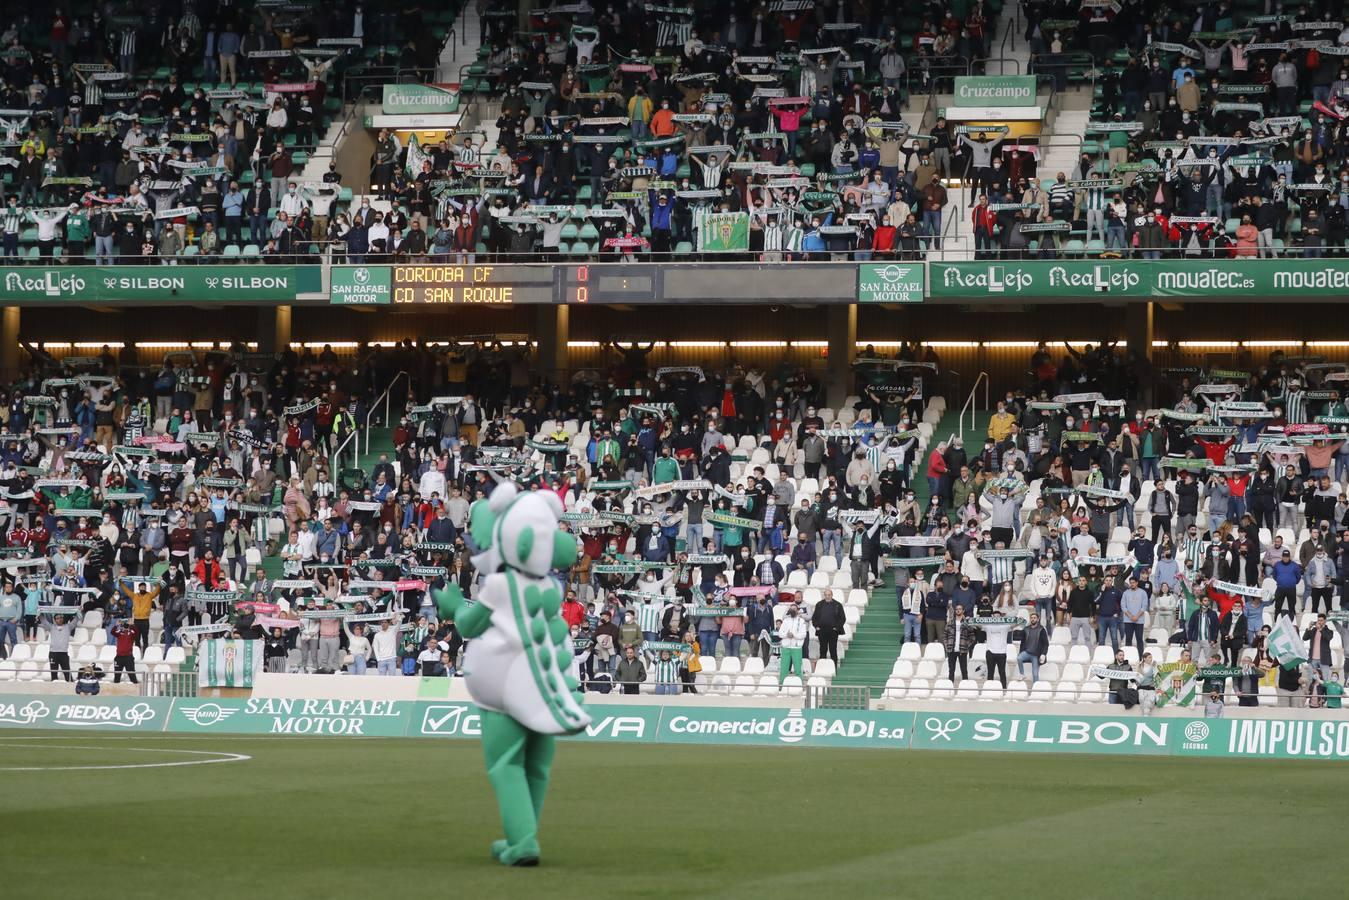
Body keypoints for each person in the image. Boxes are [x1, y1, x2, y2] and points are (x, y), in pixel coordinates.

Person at [811, 588, 846, 665]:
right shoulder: (819, 604)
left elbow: (842, 618)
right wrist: (816, 626)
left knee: (833, 650)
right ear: (824, 595)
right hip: (822, 630)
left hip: (833, 631)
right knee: (822, 650)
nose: (827, 596)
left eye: (829, 595)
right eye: (826, 595)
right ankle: (822, 668)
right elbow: (814, 618)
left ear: (832, 595)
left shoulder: (838, 605)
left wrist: (836, 628)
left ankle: (834, 668)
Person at [944, 605, 976, 681]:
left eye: (960, 609)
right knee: (951, 671)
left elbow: (972, 637)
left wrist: (966, 645)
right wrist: (947, 644)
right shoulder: (950, 622)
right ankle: (950, 688)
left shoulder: (967, 622)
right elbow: (945, 635)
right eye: (956, 609)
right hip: (951, 649)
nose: (958, 610)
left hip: (962, 650)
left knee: (964, 670)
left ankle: (965, 688)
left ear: (963, 610)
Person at [1016, 612, 1050, 683]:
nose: (1033, 619)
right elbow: (1019, 637)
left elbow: (1046, 644)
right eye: (1031, 618)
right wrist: (1020, 625)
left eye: (1034, 618)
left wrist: (1043, 654)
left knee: (1035, 674)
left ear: (1038, 619)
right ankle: (1022, 674)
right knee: (1019, 658)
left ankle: (1035, 689)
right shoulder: (1026, 629)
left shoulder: (1041, 629)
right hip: (1027, 652)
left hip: (1036, 655)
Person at [778, 604, 807, 683]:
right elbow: (780, 633)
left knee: (798, 668)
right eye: (791, 609)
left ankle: (800, 685)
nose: (793, 610)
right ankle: (781, 685)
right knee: (784, 668)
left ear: (797, 610)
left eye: (794, 609)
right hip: (786, 647)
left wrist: (794, 635)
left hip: (796, 647)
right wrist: (786, 635)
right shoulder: (786, 621)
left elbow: (803, 634)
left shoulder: (801, 621)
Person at [109, 617, 139, 684]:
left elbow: (137, 632)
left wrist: (132, 624)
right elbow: (112, 632)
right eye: (124, 624)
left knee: (132, 676)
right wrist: (116, 625)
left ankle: (135, 691)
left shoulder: (131, 633)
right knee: (117, 677)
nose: (125, 626)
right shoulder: (119, 632)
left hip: (128, 657)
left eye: (126, 624)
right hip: (119, 657)